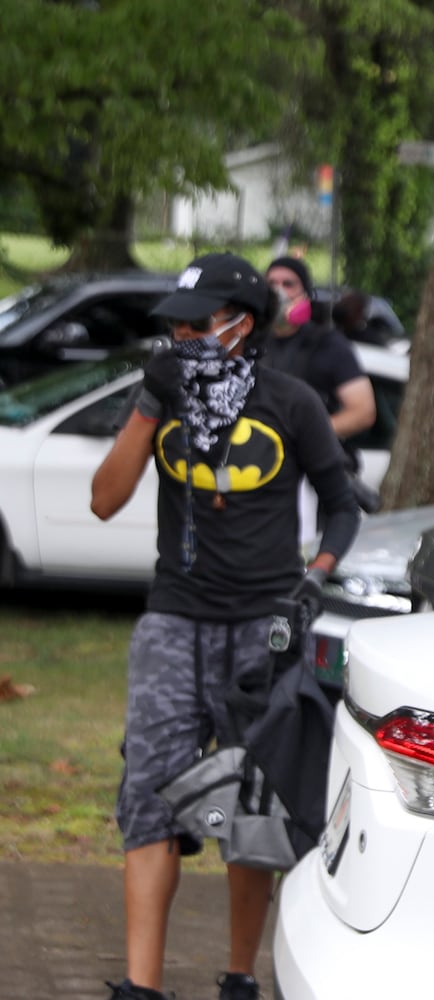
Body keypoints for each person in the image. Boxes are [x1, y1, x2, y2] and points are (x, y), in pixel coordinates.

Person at [90, 252, 361, 1000]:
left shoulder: (293, 402)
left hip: (265, 629)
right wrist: (149, 403)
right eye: (174, 324)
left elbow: (342, 503)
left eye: (196, 322)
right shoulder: (163, 396)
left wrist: (317, 574)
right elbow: (104, 500)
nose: (180, 335)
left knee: (254, 804)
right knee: (148, 793)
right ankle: (141, 986)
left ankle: (240, 975)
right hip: (174, 623)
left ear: (244, 323)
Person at [257, 257, 378, 529]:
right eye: (272, 284)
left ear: (306, 294)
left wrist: (308, 434)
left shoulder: (328, 345)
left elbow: (363, 411)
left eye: (289, 284)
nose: (279, 291)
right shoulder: (250, 343)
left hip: (313, 477)